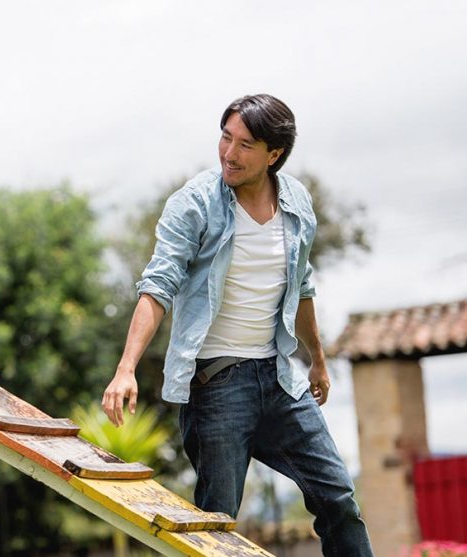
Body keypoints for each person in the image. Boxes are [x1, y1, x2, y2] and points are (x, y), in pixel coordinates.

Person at [101, 94, 373, 556]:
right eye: (225, 137)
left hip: (281, 380)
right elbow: (158, 284)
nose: (229, 153)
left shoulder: (297, 203)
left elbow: (301, 285)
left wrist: (318, 363)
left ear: (274, 155)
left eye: (246, 145)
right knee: (216, 524)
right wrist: (126, 367)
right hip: (218, 383)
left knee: (338, 497)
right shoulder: (194, 204)